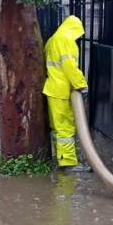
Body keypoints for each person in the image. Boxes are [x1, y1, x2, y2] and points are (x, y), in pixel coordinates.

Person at [43, 15, 91, 173]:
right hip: (62, 90)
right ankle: (68, 163)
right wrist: (82, 85)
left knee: (57, 127)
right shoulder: (66, 40)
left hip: (52, 88)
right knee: (65, 129)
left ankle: (61, 158)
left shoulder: (53, 39)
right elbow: (70, 66)